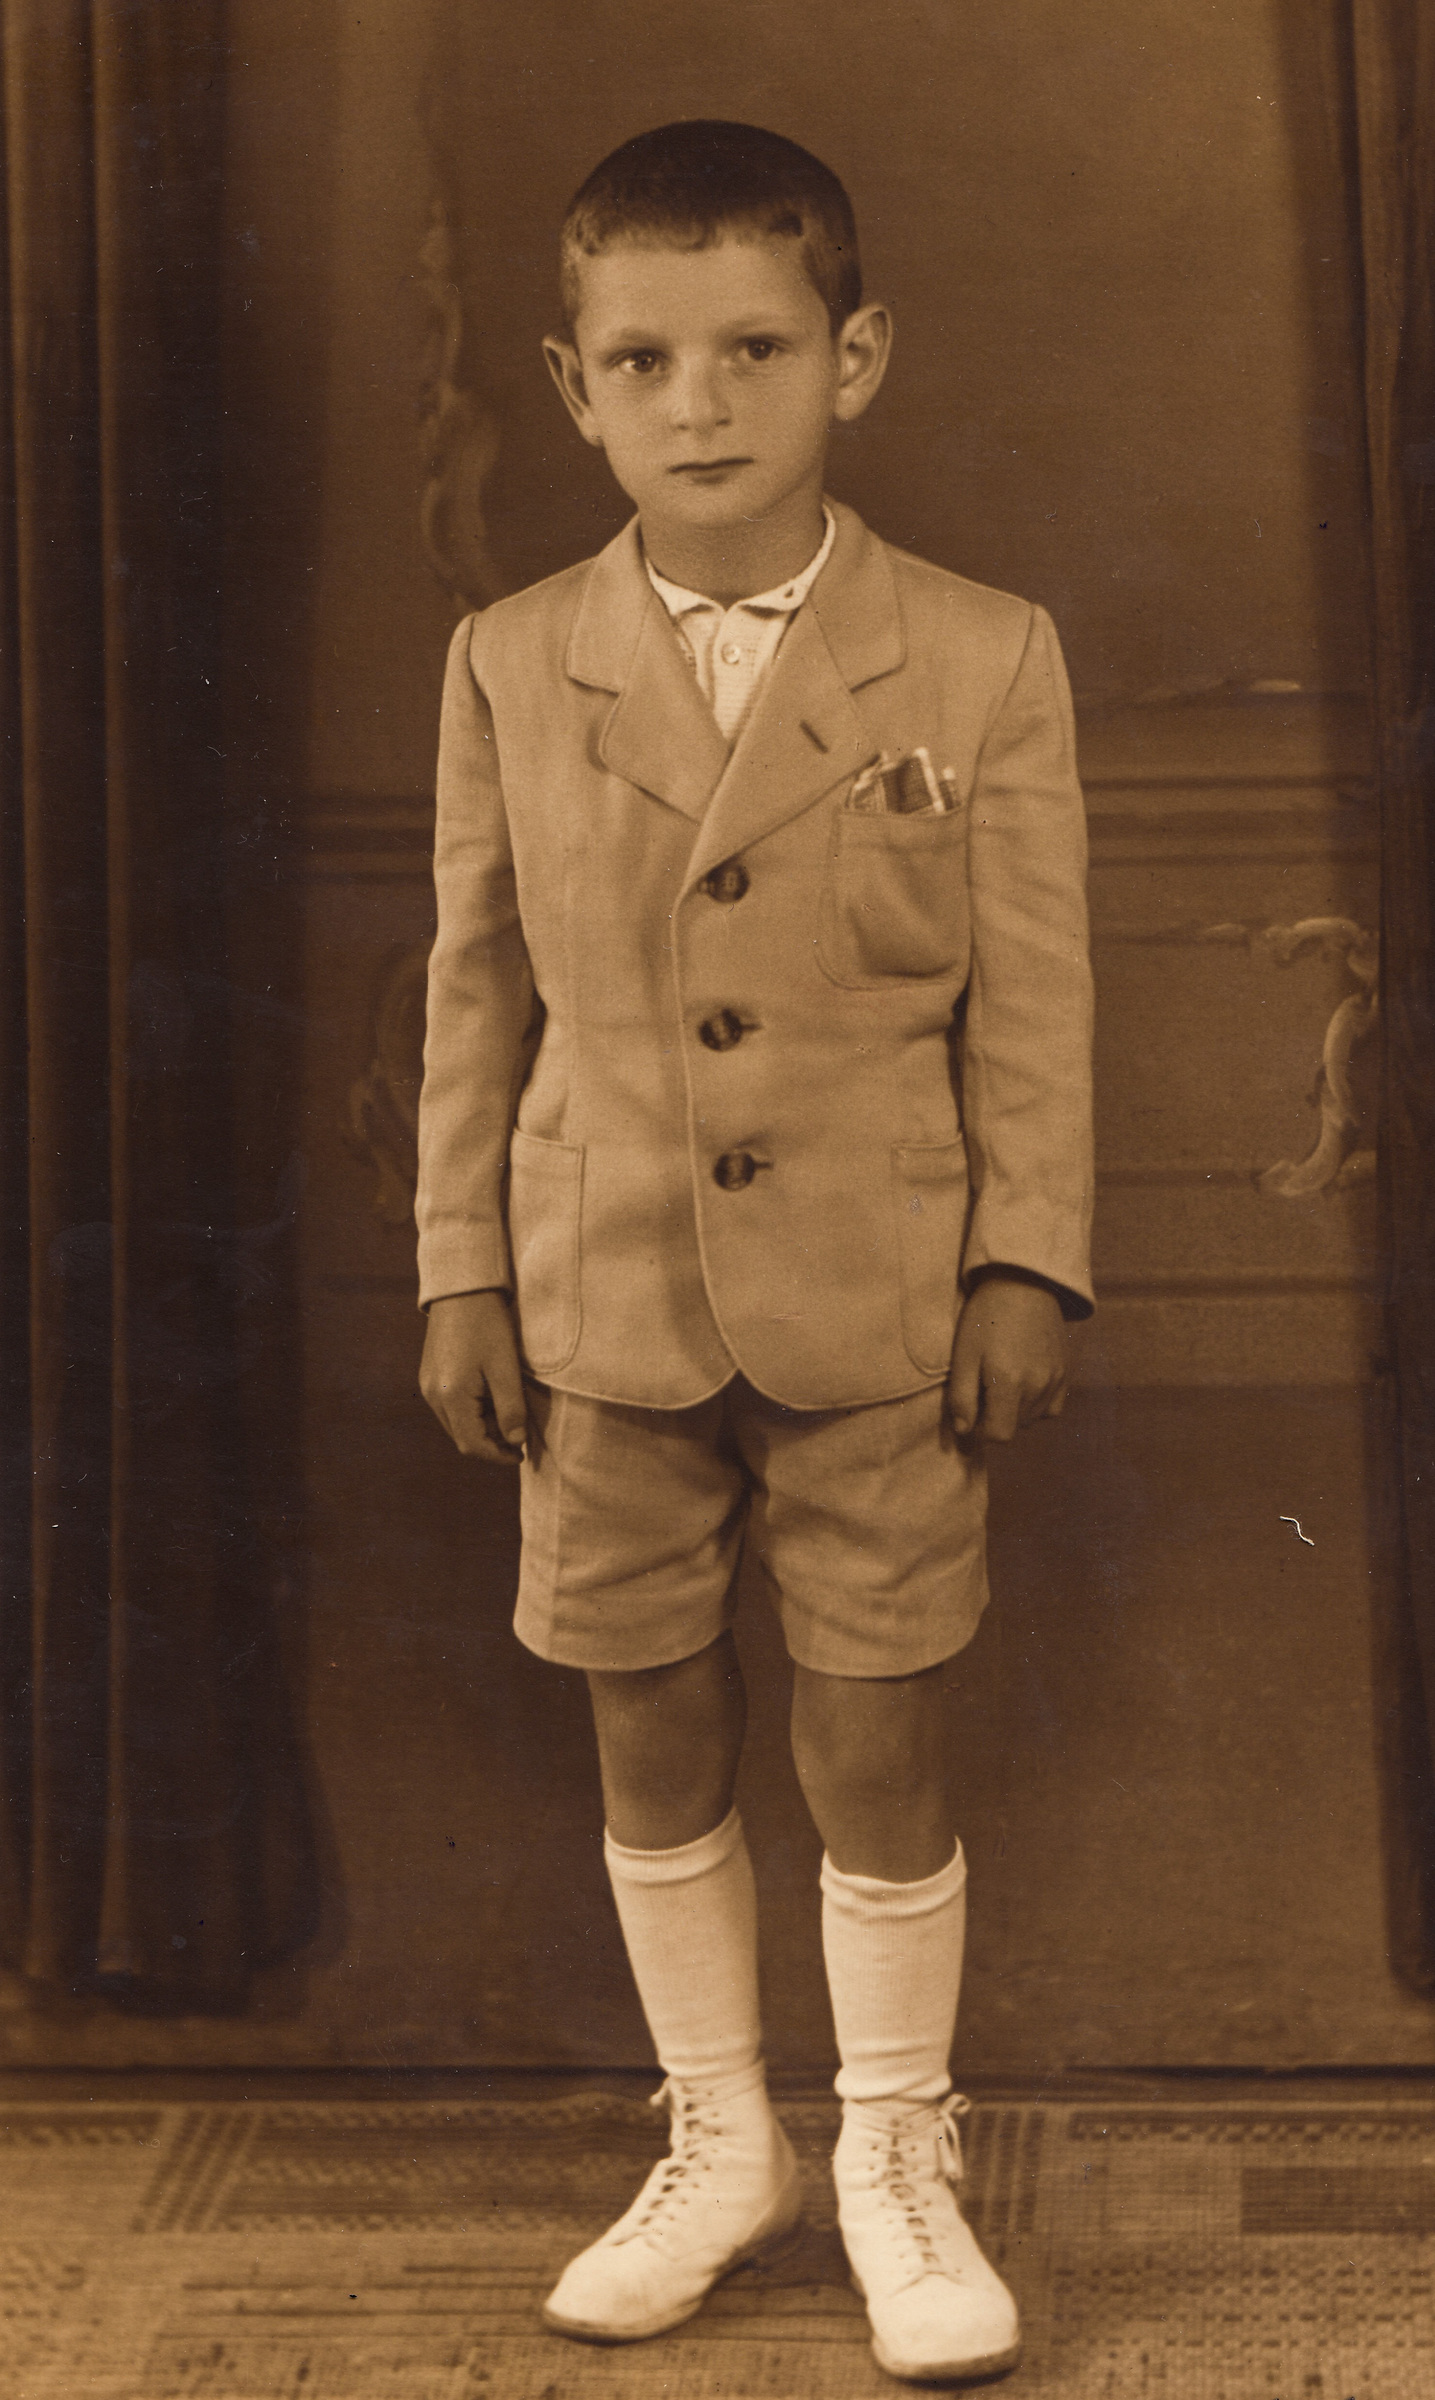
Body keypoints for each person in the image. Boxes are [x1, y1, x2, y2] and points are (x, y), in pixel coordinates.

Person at [416, 119, 1093, 2387]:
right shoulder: (512, 659)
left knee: (876, 1728)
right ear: (571, 386)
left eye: (755, 350)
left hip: (884, 1302)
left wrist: (1028, 1261)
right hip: (598, 1292)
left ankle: (896, 2150)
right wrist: (458, 1268)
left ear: (854, 357)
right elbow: (475, 994)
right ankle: (724, 2138)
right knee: (648, 1712)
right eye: (642, 361)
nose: (698, 405)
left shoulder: (979, 656)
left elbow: (1036, 998)